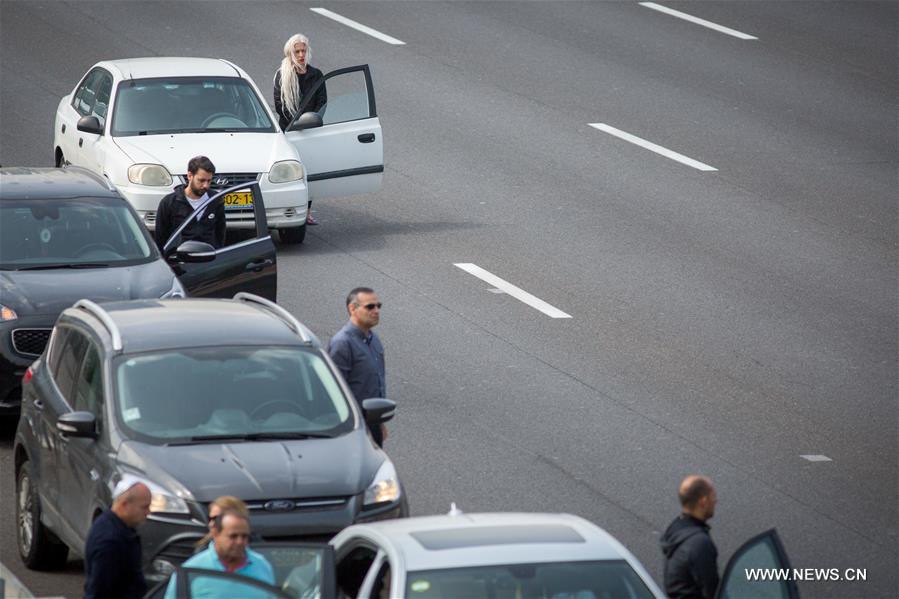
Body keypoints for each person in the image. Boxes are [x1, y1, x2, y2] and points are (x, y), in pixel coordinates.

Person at [273, 33, 327, 226]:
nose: (301, 55)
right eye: (297, 51)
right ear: (290, 53)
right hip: (289, 131)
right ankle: (286, 209)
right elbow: (280, 106)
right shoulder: (282, 75)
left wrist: (310, 121)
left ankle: (307, 211)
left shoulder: (316, 75)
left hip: (311, 129)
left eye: (304, 50)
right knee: (290, 173)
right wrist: (296, 124)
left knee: (310, 170)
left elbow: (322, 102)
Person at [165, 509, 275, 598]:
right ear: (215, 534)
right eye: (233, 536)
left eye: (244, 536)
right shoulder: (192, 570)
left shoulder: (261, 565)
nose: (240, 542)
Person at [328, 287, 388, 446]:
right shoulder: (342, 343)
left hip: (372, 424)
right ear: (352, 309)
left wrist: (379, 423)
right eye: (370, 306)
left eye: (378, 306)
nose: (376, 311)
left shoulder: (373, 339)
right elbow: (335, 392)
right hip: (353, 428)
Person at [84, 477, 152, 599]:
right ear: (124, 504)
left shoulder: (119, 527)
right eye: (144, 507)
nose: (148, 512)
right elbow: (99, 591)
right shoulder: (109, 542)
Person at [660, 475, 720, 599]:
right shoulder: (699, 543)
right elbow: (713, 591)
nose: (716, 500)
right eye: (713, 496)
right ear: (703, 501)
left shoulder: (676, 530)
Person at [155, 155, 226, 250]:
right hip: (179, 257)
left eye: (209, 181)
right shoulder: (169, 202)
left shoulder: (216, 200)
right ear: (189, 176)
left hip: (209, 256)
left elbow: (220, 234)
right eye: (201, 180)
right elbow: (161, 237)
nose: (206, 185)